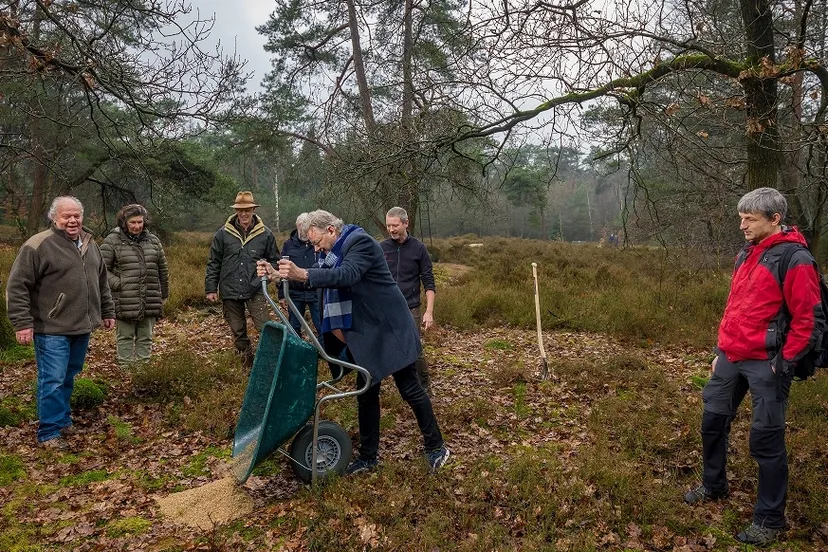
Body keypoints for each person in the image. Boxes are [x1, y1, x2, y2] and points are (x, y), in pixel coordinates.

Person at [258, 209, 450, 474]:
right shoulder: (333, 253)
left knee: (411, 390)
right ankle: (369, 457)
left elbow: (346, 276)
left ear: (331, 231)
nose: (316, 248)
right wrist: (280, 276)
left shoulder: (360, 243)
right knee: (367, 393)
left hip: (391, 330)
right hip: (370, 335)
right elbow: (322, 280)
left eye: (317, 242)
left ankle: (437, 447)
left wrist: (302, 274)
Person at [683, 187, 824, 546]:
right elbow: (735, 307)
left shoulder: (795, 259)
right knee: (712, 421)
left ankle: (769, 519)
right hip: (731, 357)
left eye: (751, 218)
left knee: (765, 440)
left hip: (768, 364)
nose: (742, 224)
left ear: (775, 219)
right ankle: (714, 485)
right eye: (741, 217)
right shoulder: (746, 254)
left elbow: (809, 321)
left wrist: (783, 363)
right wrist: (721, 350)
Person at [6, 196, 116, 449]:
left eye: (76, 215)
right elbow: (17, 286)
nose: (72, 220)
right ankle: (49, 432)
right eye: (66, 216)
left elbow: (102, 283)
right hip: (50, 328)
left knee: (69, 376)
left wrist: (107, 311)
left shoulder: (90, 244)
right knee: (52, 379)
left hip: (81, 325)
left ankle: (62, 419)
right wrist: (22, 323)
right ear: (54, 218)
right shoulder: (38, 245)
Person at [205, 191, 279, 368]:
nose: (244, 214)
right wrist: (210, 288)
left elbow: (275, 260)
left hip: (255, 289)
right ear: (236, 211)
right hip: (230, 289)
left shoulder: (266, 234)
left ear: (254, 209)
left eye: (247, 209)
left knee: (265, 329)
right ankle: (246, 367)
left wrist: (266, 277)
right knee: (238, 332)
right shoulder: (222, 234)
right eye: (240, 210)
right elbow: (213, 262)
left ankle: (268, 365)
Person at [100, 204, 169, 367]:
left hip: (150, 297)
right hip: (124, 299)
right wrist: (119, 284)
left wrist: (164, 294)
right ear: (124, 222)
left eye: (140, 222)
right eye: (133, 222)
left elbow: (163, 269)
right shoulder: (112, 241)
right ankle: (126, 371)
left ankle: (142, 371)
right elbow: (101, 270)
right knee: (125, 337)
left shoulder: (153, 241)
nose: (137, 226)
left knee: (146, 336)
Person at [381, 207, 436, 394]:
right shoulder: (382, 248)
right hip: (387, 307)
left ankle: (424, 386)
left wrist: (429, 312)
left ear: (406, 224)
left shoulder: (418, 249)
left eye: (395, 225)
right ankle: (399, 384)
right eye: (388, 225)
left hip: (411, 306)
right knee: (388, 345)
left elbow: (429, 282)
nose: (391, 229)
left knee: (414, 347)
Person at [278, 213, 321, 336]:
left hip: (315, 292)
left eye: (306, 226)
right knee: (294, 327)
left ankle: (326, 352)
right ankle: (297, 353)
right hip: (295, 293)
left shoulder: (317, 243)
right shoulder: (288, 245)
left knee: (321, 325)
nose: (303, 229)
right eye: (300, 226)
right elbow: (283, 269)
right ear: (296, 226)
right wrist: (281, 294)